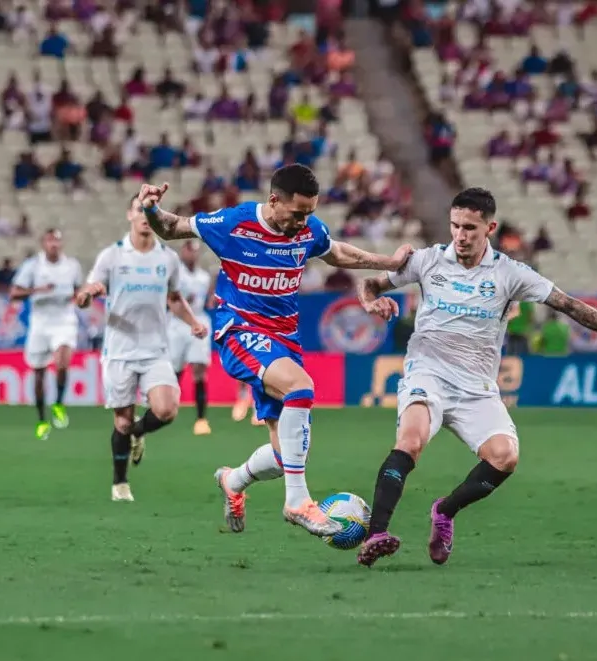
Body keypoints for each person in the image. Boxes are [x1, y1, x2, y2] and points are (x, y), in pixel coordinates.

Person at [354, 188, 597, 567]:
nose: (460, 235)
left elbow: (569, 305)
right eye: (455, 226)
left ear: (490, 227)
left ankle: (445, 512)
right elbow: (371, 283)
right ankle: (376, 535)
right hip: (428, 373)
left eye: (470, 227)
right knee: (411, 440)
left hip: (478, 388)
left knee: (505, 458)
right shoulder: (427, 261)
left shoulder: (510, 273)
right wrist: (371, 301)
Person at [135, 163, 412, 537]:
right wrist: (151, 209)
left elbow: (336, 252)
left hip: (284, 340)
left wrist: (388, 263)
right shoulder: (234, 223)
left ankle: (233, 481)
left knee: (287, 455)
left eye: (310, 213)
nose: (304, 221)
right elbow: (172, 227)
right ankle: (297, 502)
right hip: (241, 331)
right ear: (273, 201)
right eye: (298, 213)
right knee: (301, 388)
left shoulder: (308, 229)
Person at [75, 196, 207, 502]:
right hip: (119, 350)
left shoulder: (167, 258)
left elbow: (174, 298)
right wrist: (87, 295)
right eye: (139, 210)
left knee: (167, 409)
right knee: (121, 419)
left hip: (155, 350)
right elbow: (91, 288)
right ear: (129, 215)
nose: (145, 217)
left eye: (149, 211)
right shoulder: (112, 256)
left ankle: (137, 433)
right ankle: (120, 483)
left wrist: (192, 322)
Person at [10, 229, 82, 440]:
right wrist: (38, 290)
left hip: (64, 319)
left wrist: (81, 297)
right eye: (50, 241)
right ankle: (42, 419)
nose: (54, 245)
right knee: (39, 372)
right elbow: (14, 293)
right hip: (40, 322)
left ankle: (59, 403)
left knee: (62, 362)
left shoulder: (72, 266)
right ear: (43, 243)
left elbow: (78, 290)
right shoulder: (33, 266)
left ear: (62, 244)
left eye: (57, 241)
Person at [168, 240, 215, 436]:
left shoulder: (204, 277)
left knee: (199, 369)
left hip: (199, 321)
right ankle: (168, 407)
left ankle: (201, 418)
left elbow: (208, 301)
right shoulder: (176, 274)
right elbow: (168, 298)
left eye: (196, 252)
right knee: (175, 369)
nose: (192, 255)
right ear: (183, 251)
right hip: (177, 324)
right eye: (190, 251)